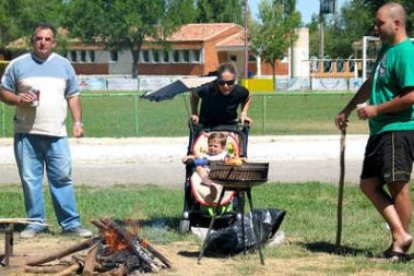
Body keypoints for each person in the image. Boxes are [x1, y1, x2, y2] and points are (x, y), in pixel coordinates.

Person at [335, 2, 414, 259]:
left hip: (398, 129)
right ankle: (400, 235)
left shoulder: (405, 52)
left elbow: (412, 95)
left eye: (380, 23)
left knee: (397, 185)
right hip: (380, 130)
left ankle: (399, 245)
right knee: (369, 184)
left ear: (397, 24)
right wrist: (346, 110)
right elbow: (371, 83)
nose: (375, 27)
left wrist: (376, 110)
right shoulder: (386, 50)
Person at [0, 22, 92, 238]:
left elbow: (73, 96)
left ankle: (70, 224)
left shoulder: (64, 66)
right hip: (26, 134)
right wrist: (18, 99)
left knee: (62, 178)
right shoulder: (17, 65)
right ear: (32, 41)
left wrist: (77, 122)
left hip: (56, 134)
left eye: (47, 39)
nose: (43, 42)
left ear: (54, 43)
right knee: (30, 180)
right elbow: (4, 93)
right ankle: (35, 223)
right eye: (39, 38)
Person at [190, 63, 252, 127]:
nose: (226, 86)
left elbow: (247, 98)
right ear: (217, 81)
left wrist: (244, 113)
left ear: (234, 81)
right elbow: (194, 95)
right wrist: (194, 113)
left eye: (230, 83)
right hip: (206, 125)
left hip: (230, 125)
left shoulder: (239, 91)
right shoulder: (207, 89)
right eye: (221, 82)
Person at [182, 132, 230, 198]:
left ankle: (214, 191)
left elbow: (231, 161)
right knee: (199, 168)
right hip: (207, 173)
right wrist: (189, 158)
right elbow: (197, 157)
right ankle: (205, 179)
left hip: (219, 173)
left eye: (215, 146)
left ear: (223, 147)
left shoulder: (224, 155)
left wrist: (228, 161)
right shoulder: (206, 155)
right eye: (210, 145)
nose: (212, 148)